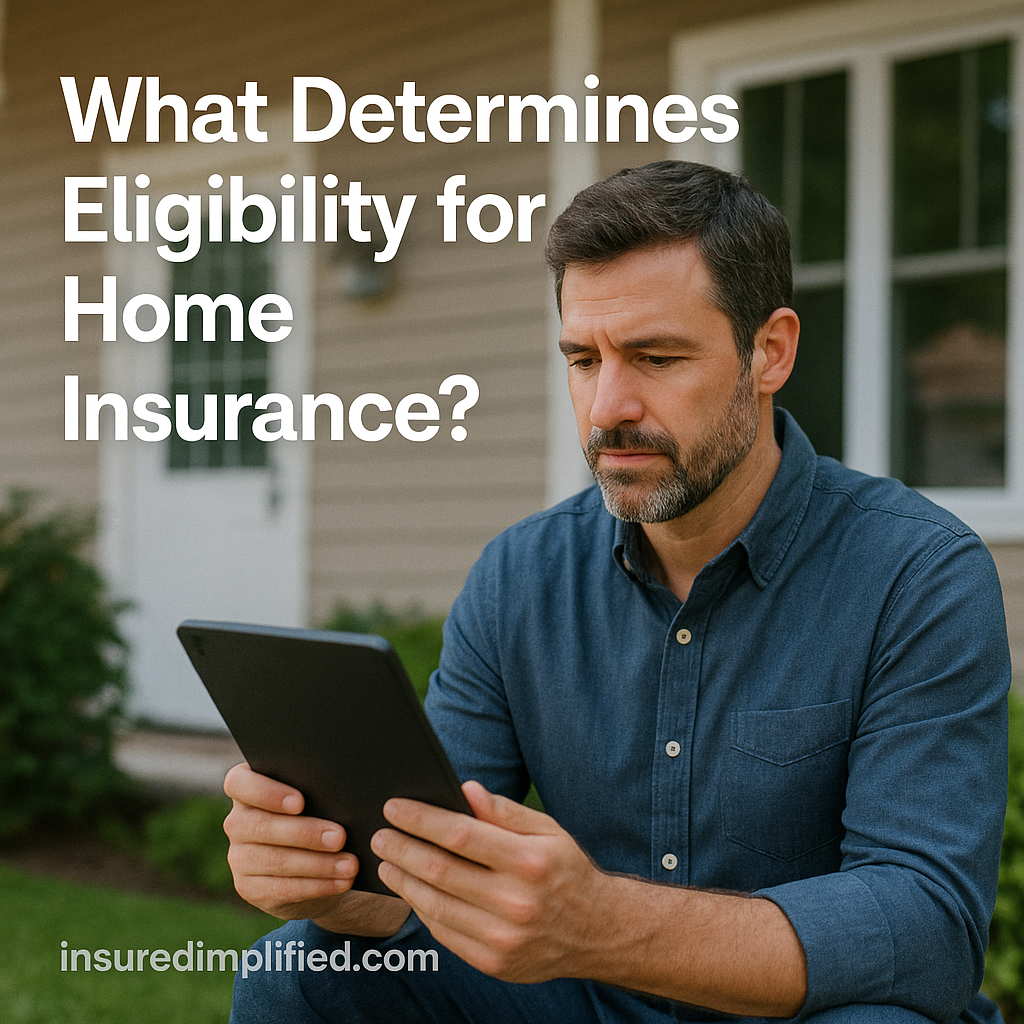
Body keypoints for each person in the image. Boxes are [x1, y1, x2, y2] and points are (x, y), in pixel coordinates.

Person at [224, 161, 1011, 1023]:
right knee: (302, 968)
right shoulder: (521, 575)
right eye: (582, 358)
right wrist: (327, 877)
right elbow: (424, 872)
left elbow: (928, 932)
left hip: (800, 1010)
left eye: (656, 357)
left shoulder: (918, 573)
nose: (607, 407)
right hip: (582, 1003)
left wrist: (599, 923)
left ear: (770, 352)